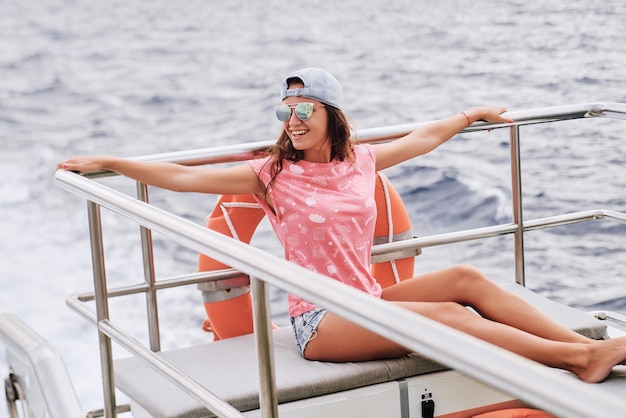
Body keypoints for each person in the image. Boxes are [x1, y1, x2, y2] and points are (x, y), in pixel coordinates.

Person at [59, 67, 626, 383]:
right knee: (451, 315)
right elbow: (180, 178)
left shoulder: (361, 161)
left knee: (468, 279)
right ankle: (580, 359)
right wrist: (112, 161)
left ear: (331, 115)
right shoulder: (269, 175)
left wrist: (469, 115)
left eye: (304, 109)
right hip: (323, 323)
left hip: (370, 297)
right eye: (285, 111)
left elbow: (420, 139)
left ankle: (576, 343)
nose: (293, 119)